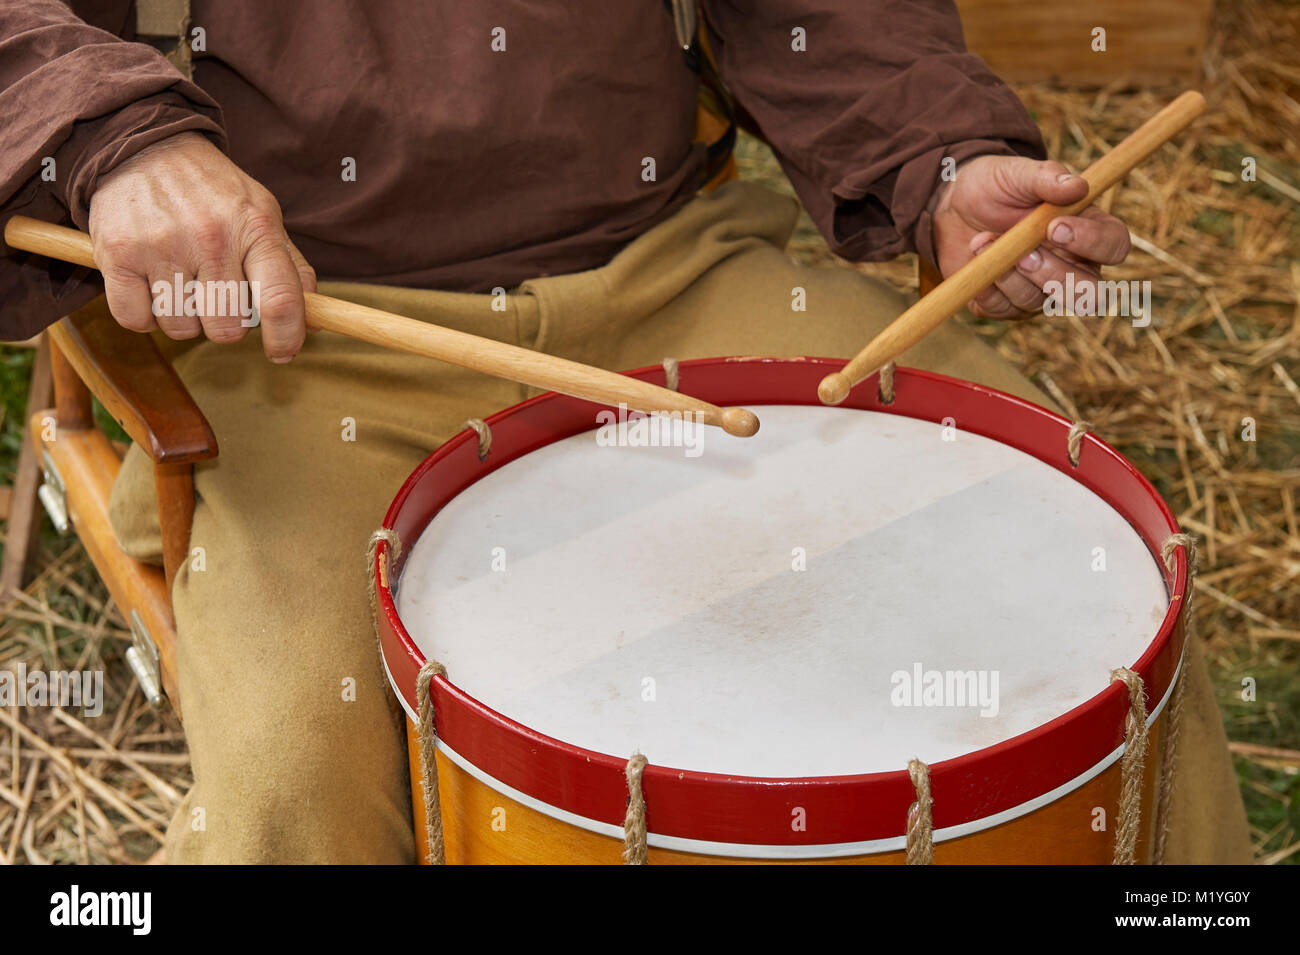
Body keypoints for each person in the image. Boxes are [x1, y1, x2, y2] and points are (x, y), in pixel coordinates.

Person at [0, 0, 1251, 863]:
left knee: (1106, 615)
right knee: (294, 772)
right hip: (312, 325)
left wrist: (933, 161)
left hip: (670, 257)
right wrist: (111, 139)